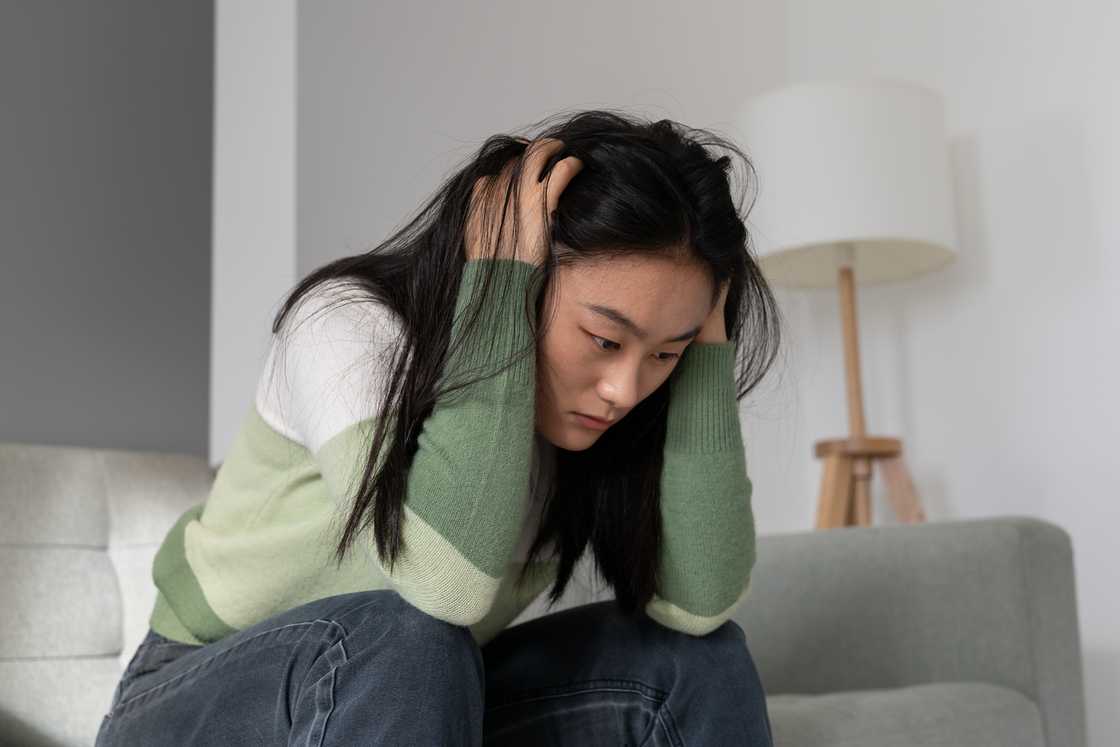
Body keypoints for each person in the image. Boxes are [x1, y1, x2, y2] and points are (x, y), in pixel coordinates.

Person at [95, 109, 782, 745]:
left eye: (664, 353)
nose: (625, 389)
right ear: (520, 274)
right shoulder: (348, 329)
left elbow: (699, 605)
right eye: (605, 340)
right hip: (191, 707)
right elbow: (442, 587)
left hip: (412, 708)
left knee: (698, 662)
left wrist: (705, 363)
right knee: (413, 636)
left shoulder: (593, 428)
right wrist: (496, 305)